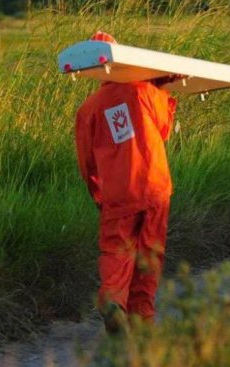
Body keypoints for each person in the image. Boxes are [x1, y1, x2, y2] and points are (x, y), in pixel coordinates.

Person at [74, 31, 178, 333]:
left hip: (118, 193)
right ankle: (142, 318)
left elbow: (87, 163)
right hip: (155, 186)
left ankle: (113, 300)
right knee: (149, 253)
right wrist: (163, 91)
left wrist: (98, 193)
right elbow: (164, 130)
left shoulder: (88, 110)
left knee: (116, 251)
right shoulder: (145, 91)